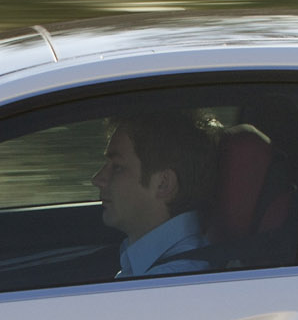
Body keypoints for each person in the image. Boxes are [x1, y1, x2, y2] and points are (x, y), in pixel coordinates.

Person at [92, 106, 221, 277]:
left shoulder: (170, 280)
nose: (97, 179)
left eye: (117, 167)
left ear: (163, 184)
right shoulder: (155, 266)